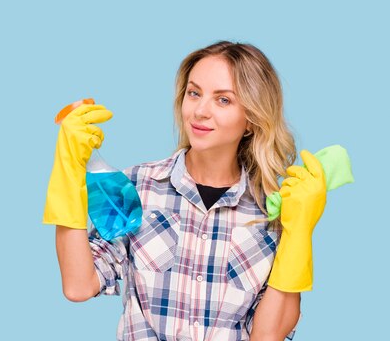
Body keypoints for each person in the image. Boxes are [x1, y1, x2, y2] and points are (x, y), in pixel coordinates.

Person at [42, 40, 327, 341]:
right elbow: (78, 285)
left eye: (223, 100)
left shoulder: (272, 213)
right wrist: (69, 175)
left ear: (251, 121)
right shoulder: (136, 186)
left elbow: (267, 336)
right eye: (194, 93)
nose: (200, 111)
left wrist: (299, 234)